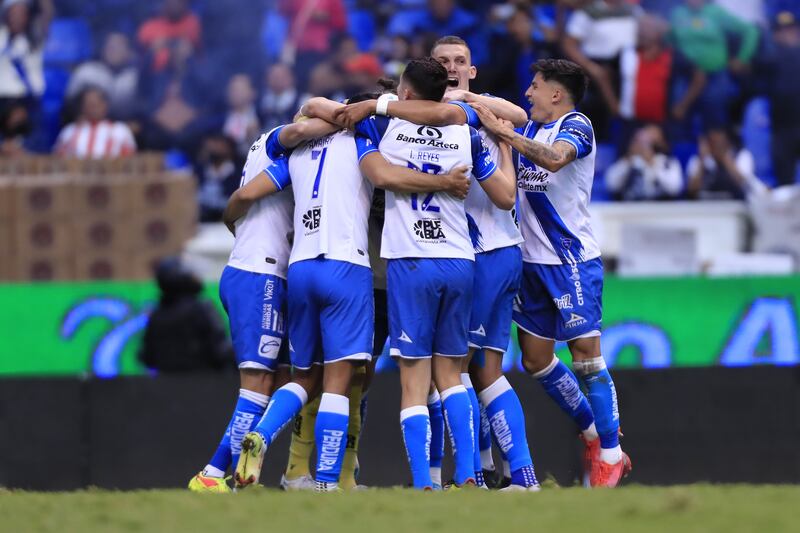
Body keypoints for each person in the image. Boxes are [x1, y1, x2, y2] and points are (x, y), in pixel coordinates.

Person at [233, 88, 473, 492]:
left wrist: (232, 224)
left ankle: (265, 435)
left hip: (301, 265)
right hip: (350, 267)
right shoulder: (369, 142)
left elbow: (246, 193)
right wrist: (444, 181)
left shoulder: (300, 149)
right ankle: (329, 480)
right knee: (341, 382)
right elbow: (388, 176)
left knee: (305, 374)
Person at [342, 57, 516, 490]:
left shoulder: (384, 128)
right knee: (452, 376)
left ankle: (424, 482)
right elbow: (505, 197)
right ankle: (470, 476)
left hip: (410, 262)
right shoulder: (466, 132)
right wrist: (505, 147)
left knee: (414, 381)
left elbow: (380, 174)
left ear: (403, 92)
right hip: (460, 261)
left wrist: (375, 107)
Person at [471, 59, 632, 488]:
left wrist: (504, 133)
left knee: (585, 355)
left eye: (536, 86)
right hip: (529, 262)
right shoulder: (528, 130)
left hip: (571, 261)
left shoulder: (576, 125)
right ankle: (594, 433)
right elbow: (508, 120)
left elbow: (557, 161)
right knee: (536, 360)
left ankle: (611, 456)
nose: (528, 92)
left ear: (556, 94)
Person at [188, 116, 340, 493]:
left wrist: (236, 228)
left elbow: (238, 203)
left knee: (292, 378)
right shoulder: (281, 147)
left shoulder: (273, 153)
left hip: (259, 271)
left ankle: (245, 469)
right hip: (261, 277)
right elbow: (241, 197)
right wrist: (338, 120)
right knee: (257, 384)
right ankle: (212, 473)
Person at [139, 258, 233, 374]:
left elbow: (147, 357)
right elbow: (221, 349)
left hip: (167, 386)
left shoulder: (156, 315)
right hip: (205, 384)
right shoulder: (201, 308)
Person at [761, 10, 800, 186]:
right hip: (782, 128)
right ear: (775, 35)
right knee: (785, 183)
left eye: (791, 30)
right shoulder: (770, 59)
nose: (787, 35)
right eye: (782, 31)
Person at [66, 32, 140, 122]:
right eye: (110, 46)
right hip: (88, 127)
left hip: (124, 128)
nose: (113, 50)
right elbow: (68, 106)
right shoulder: (86, 72)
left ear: (129, 52)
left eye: (119, 46)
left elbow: (145, 110)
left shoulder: (136, 78)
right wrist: (76, 117)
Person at [605, 124, 683, 201]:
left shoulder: (668, 162)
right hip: (631, 208)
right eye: (640, 141)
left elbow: (675, 188)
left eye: (649, 142)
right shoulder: (628, 162)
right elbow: (611, 184)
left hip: (661, 208)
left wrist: (653, 165)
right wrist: (628, 161)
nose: (644, 146)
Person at [54, 87, 137, 159]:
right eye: (88, 105)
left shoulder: (120, 131)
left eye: (95, 105)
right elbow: (59, 160)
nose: (92, 109)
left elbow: (129, 161)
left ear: (104, 105)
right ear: (83, 107)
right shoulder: (69, 132)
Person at [0, 0, 52, 102]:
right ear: (6, 15)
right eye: (13, 13)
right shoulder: (1, 36)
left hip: (28, 99)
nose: (16, 18)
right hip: (2, 98)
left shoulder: (35, 39)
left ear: (28, 16)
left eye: (21, 14)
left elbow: (47, 14)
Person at [137, 0, 202, 73]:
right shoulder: (148, 27)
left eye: (179, 2)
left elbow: (201, 54)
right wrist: (151, 52)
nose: (175, 5)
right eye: (171, 2)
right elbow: (138, 59)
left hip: (185, 75)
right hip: (154, 76)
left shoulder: (193, 23)